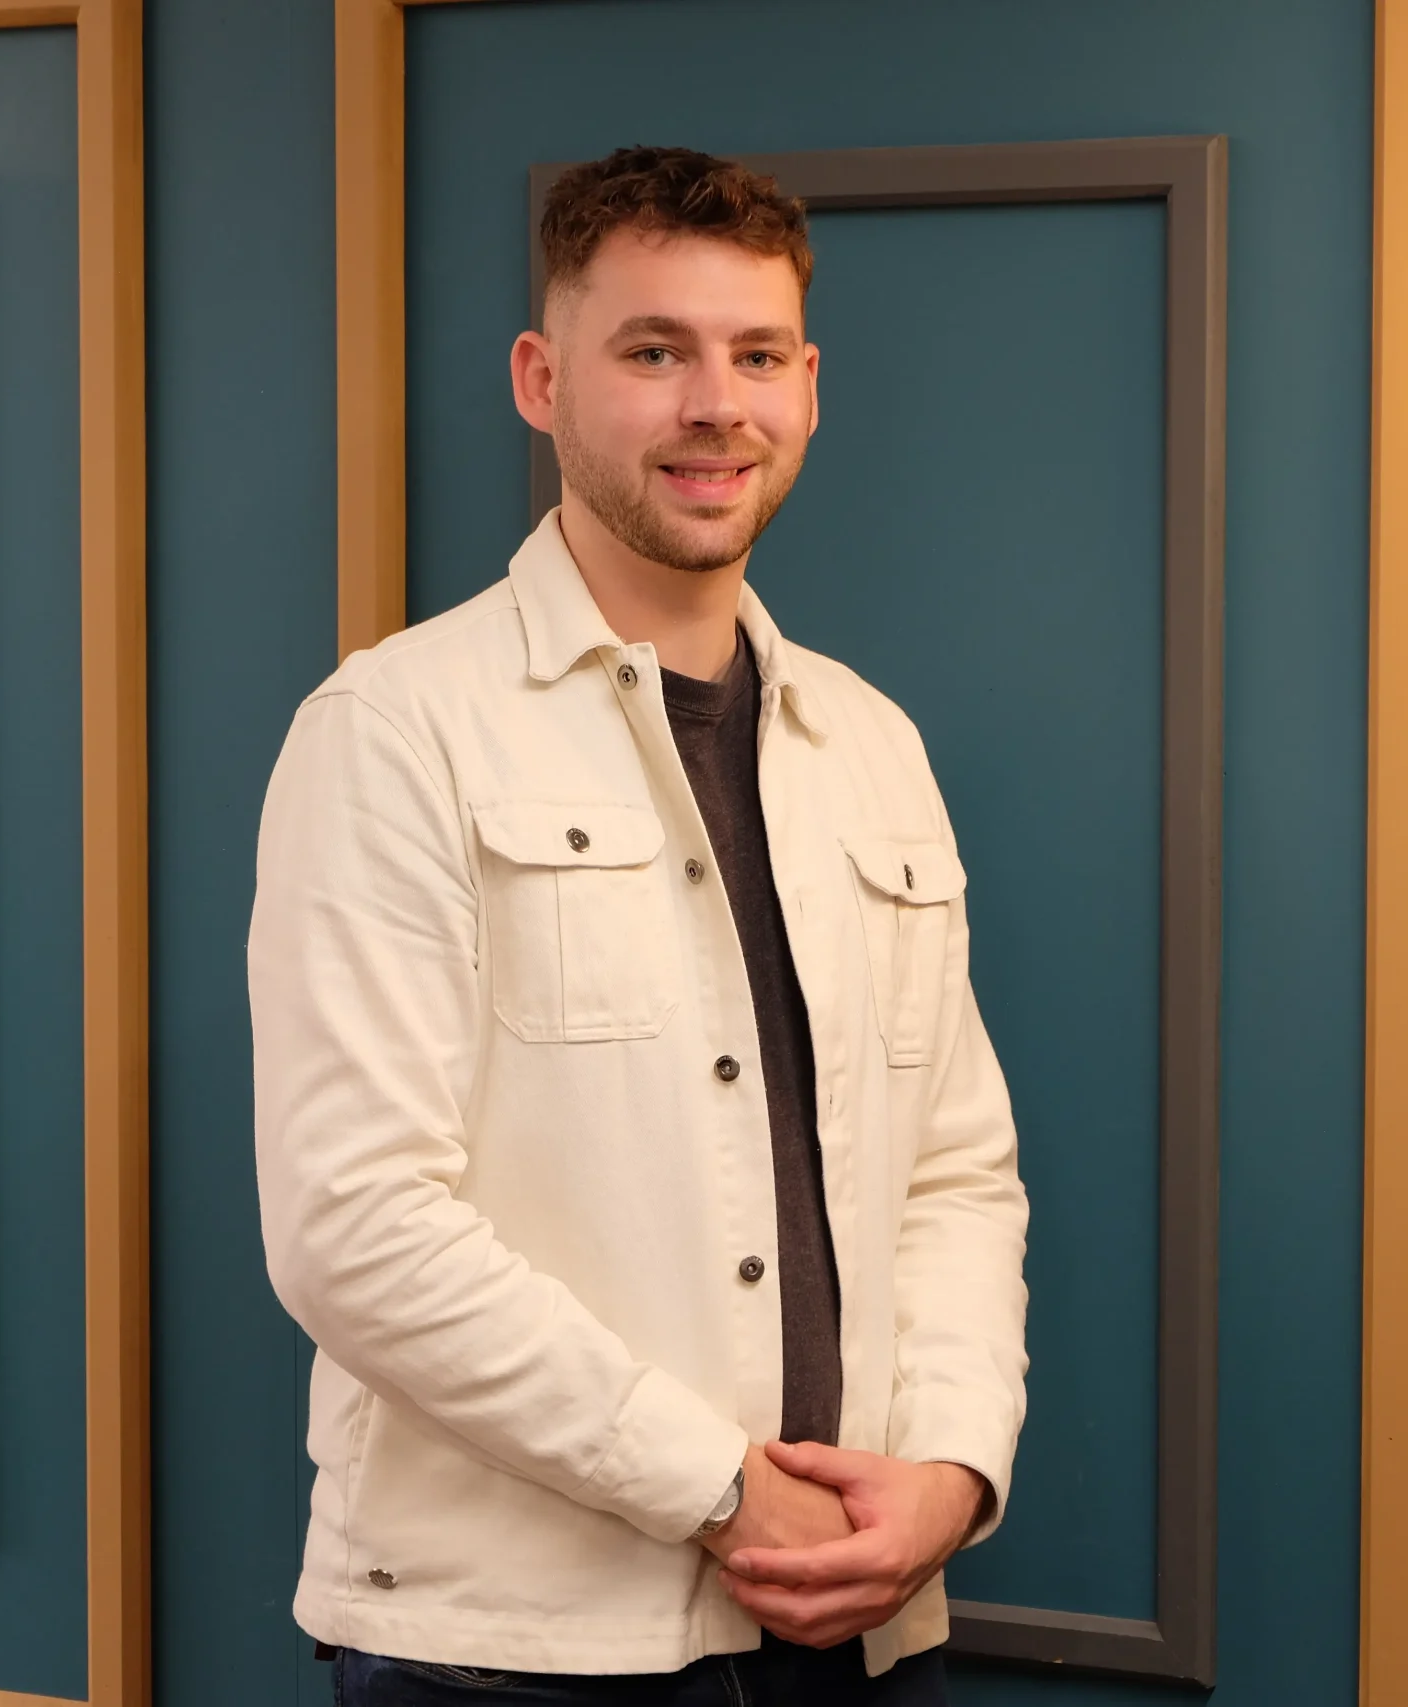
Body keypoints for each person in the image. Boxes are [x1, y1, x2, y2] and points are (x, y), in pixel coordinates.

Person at [250, 145, 1028, 1707]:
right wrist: (721, 1486)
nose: (715, 406)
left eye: (757, 356)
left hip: (864, 1628)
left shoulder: (872, 745)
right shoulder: (395, 732)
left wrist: (950, 1471)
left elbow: (955, 1167)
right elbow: (355, 1225)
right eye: (655, 351)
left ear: (808, 386)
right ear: (542, 382)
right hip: (515, 1657)